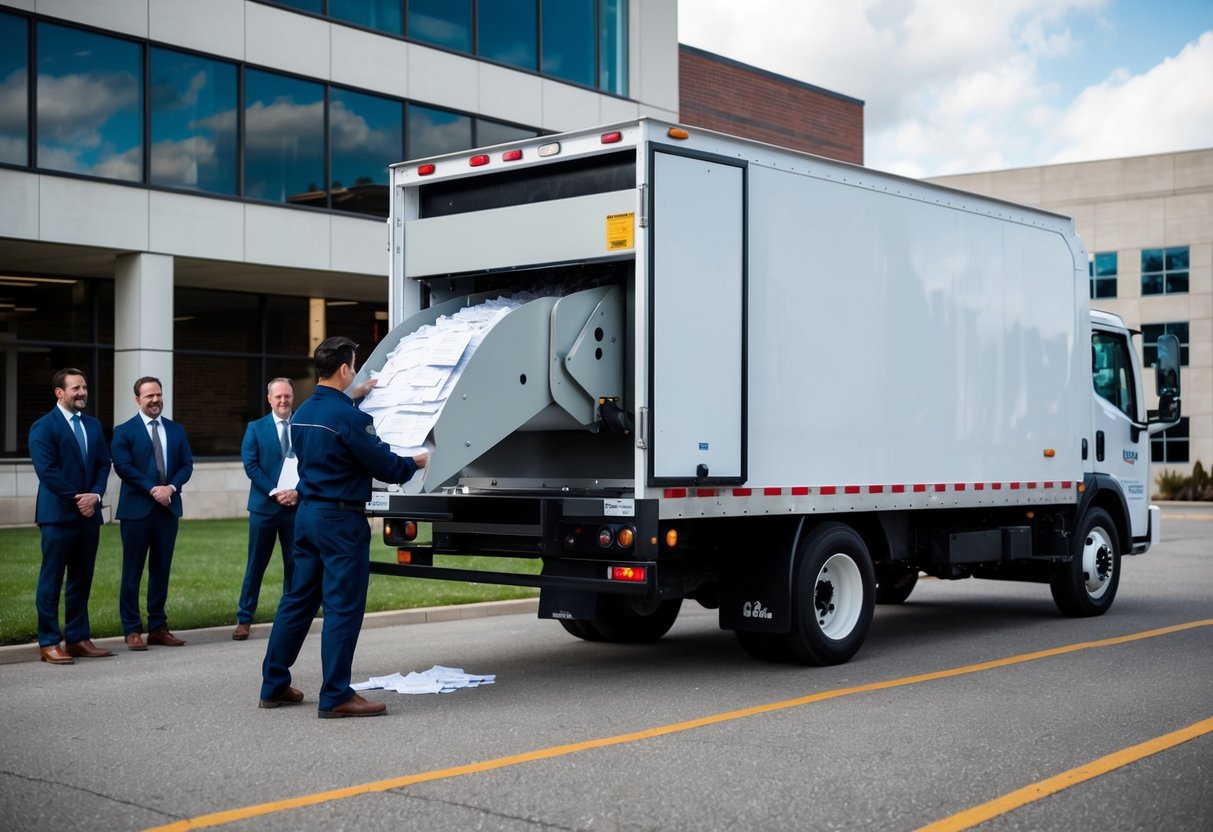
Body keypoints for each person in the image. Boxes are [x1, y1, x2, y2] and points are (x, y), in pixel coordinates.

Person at [259, 336, 426, 718]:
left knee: (297, 601)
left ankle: (274, 684)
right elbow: (385, 466)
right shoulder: (352, 419)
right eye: (356, 365)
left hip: (307, 517)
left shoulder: (300, 413)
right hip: (341, 521)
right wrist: (417, 461)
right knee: (342, 608)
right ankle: (335, 695)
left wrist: (356, 395)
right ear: (346, 368)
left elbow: (331, 424)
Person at [28, 368, 114, 665]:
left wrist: (96, 496)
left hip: (89, 515)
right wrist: (79, 498)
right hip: (58, 516)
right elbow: (47, 470)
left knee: (81, 579)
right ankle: (49, 642)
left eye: (85, 387)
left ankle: (77, 638)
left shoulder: (92, 425)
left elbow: (104, 464)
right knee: (51, 580)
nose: (83, 393)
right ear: (59, 392)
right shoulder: (43, 427)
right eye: (76, 388)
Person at [111, 376, 194, 650]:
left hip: (167, 510)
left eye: (158, 395)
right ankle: (132, 629)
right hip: (137, 511)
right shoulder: (124, 431)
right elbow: (124, 467)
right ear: (137, 400)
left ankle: (158, 627)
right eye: (149, 396)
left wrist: (170, 488)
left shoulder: (176, 430)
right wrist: (152, 489)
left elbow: (186, 465)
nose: (156, 400)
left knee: (161, 571)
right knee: (132, 571)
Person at [232, 378, 299, 641]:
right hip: (264, 508)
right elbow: (251, 466)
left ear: (293, 397)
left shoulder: (301, 427)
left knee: (295, 566)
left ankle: (291, 619)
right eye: (278, 397)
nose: (283, 401)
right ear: (269, 399)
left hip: (295, 508)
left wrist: (297, 492)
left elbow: (311, 463)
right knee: (255, 565)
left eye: (287, 396)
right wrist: (274, 491)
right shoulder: (255, 428)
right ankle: (244, 619)